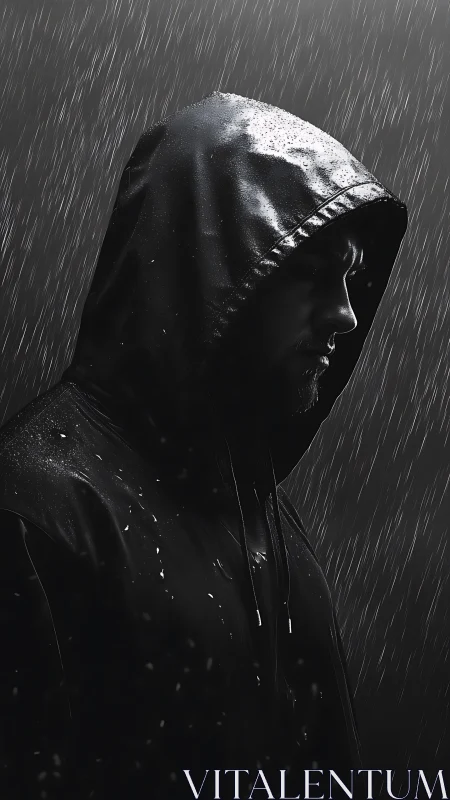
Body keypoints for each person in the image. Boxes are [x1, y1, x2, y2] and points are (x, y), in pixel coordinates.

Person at [0, 92, 407, 800]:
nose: (346, 314)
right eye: (317, 274)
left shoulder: (268, 522)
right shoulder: (31, 516)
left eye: (351, 278)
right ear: (217, 269)